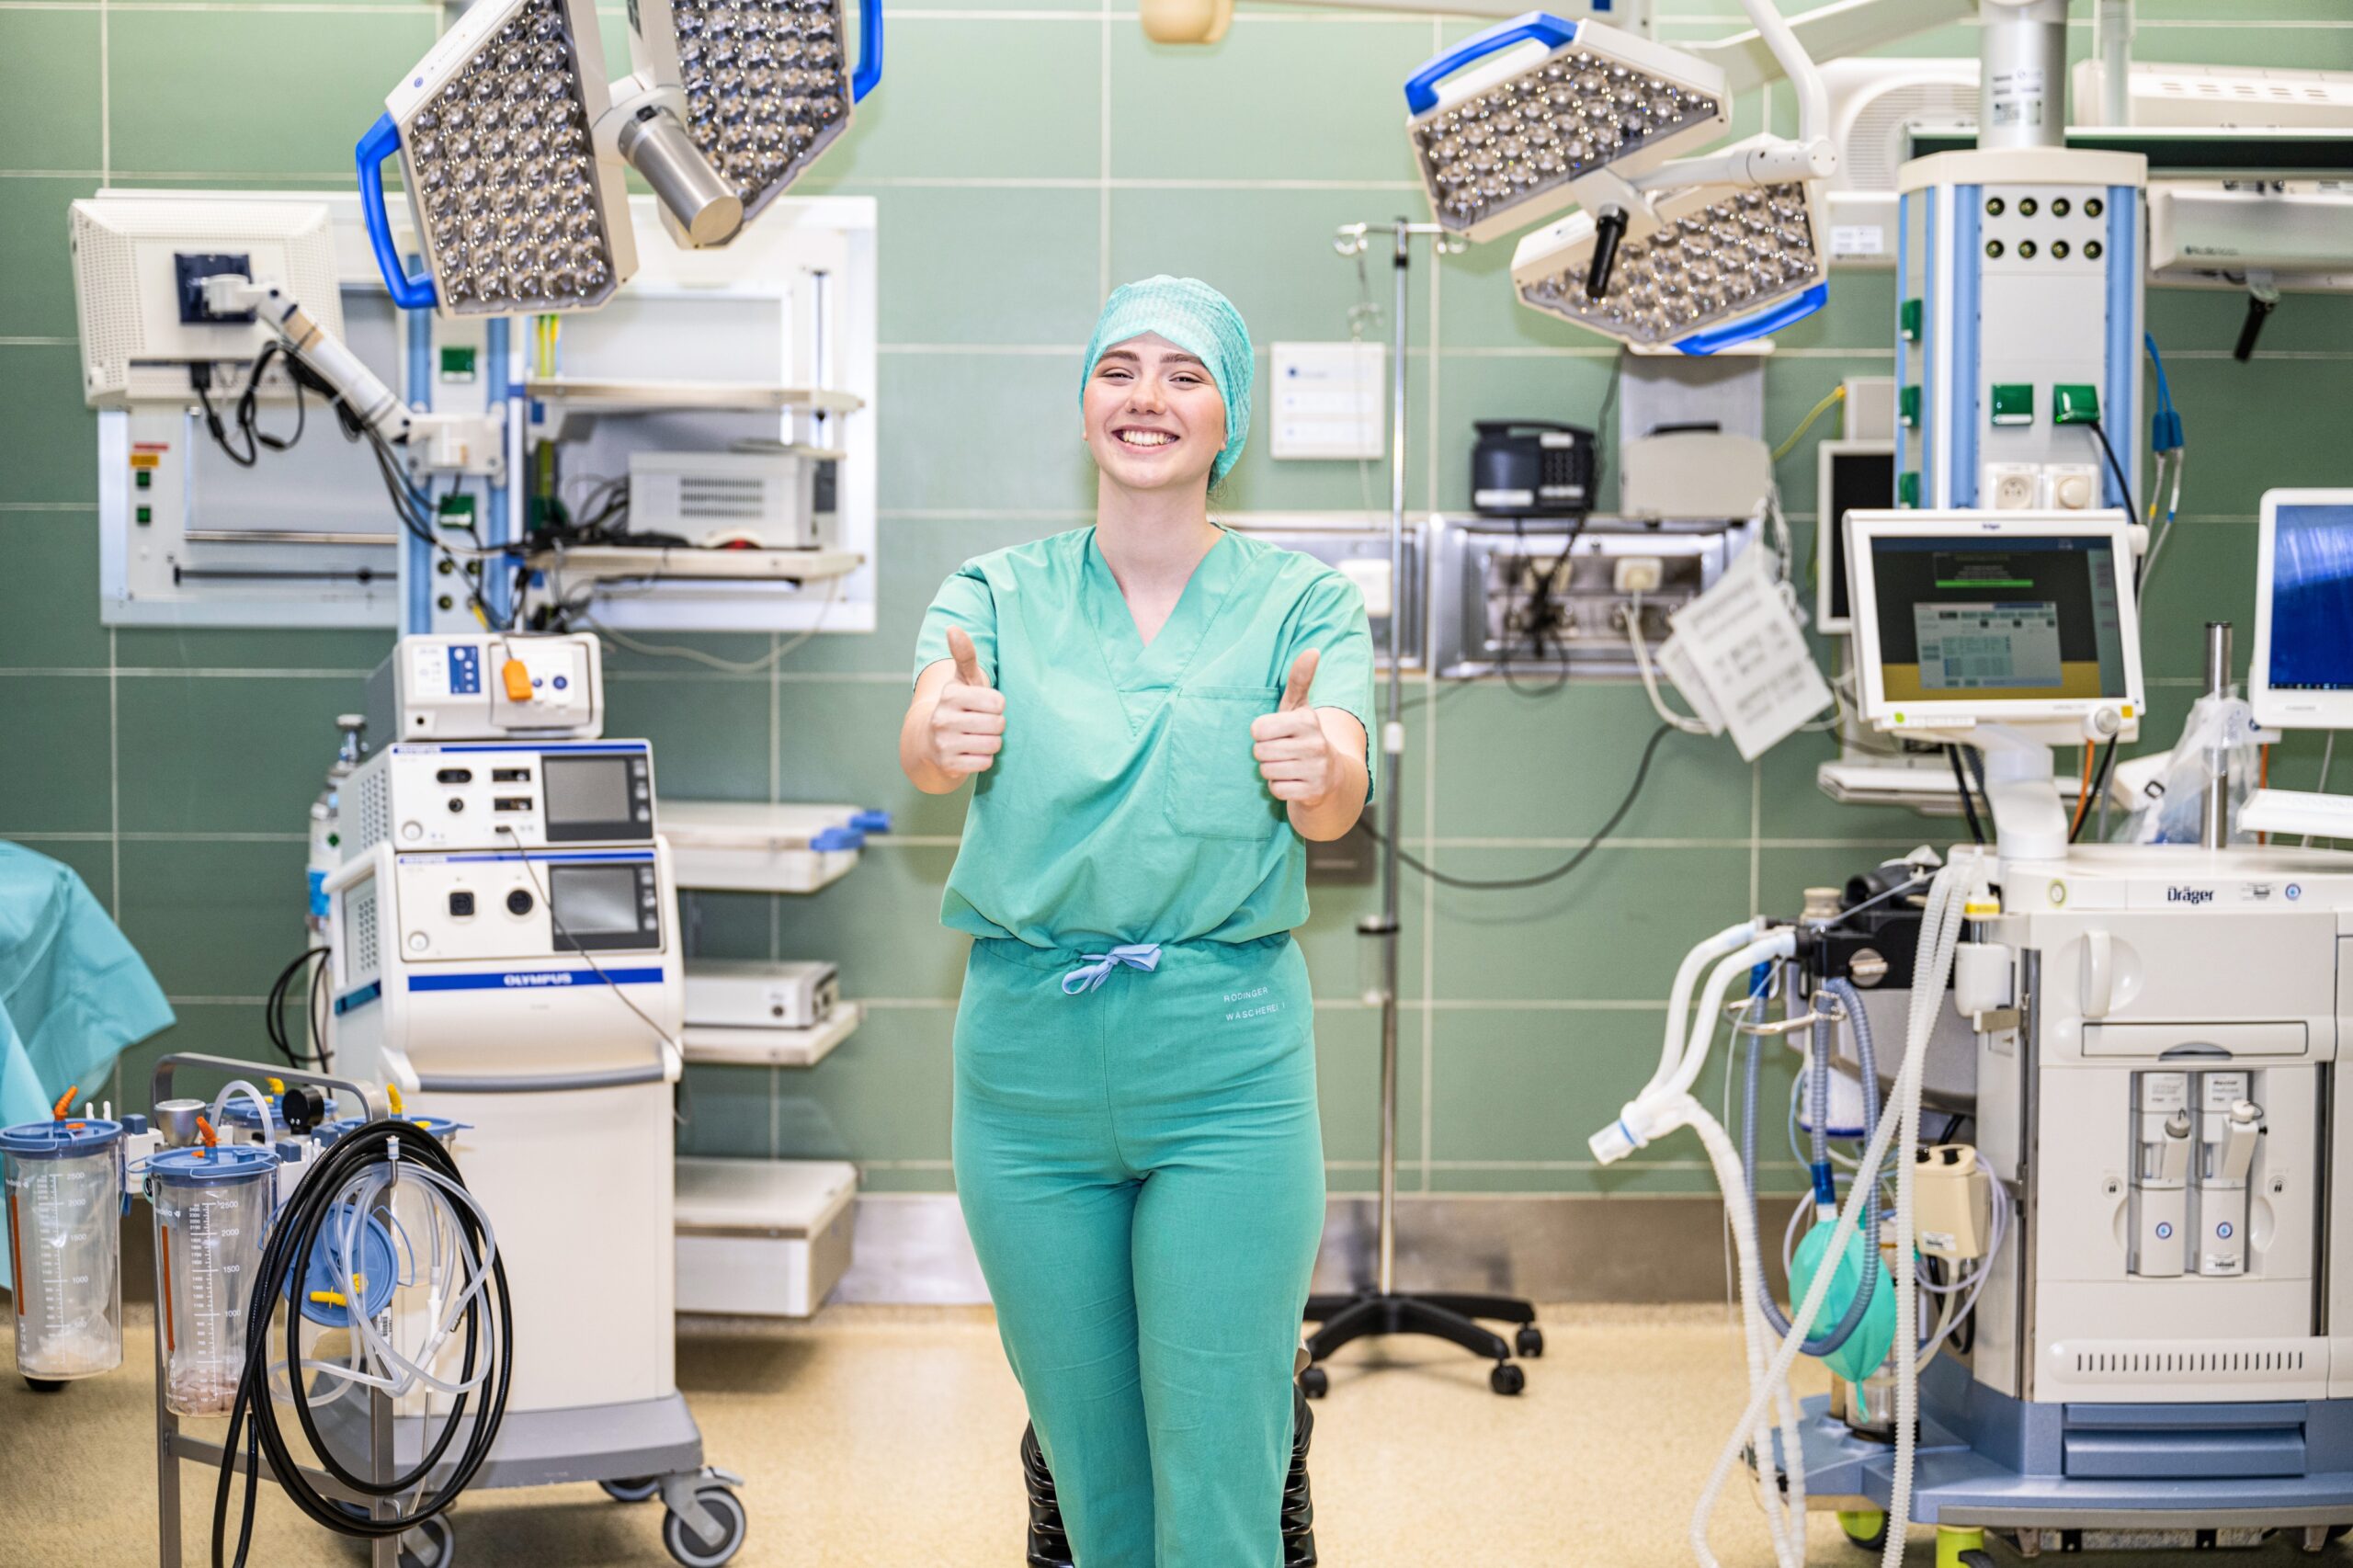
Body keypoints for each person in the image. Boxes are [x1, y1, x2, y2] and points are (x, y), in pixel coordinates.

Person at [899, 276, 1374, 1566]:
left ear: (1231, 420)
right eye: (1119, 368)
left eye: (1185, 373)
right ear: (1084, 406)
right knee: (1091, 1472)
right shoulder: (995, 591)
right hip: (1026, 1074)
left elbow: (1340, 785)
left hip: (1226, 1067)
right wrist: (943, 733)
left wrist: (1319, 768)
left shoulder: (1304, 603)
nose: (1146, 396)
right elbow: (928, 738)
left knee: (1220, 1468)